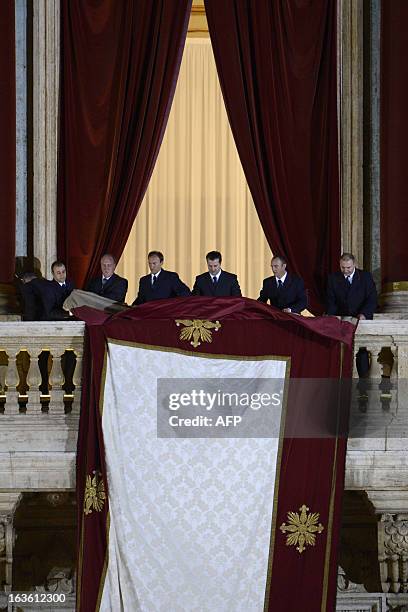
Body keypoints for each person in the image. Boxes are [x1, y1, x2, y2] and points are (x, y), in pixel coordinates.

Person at [326, 253, 377, 320]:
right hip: (341, 320)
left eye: (348, 267)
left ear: (354, 264)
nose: (345, 270)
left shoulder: (366, 277)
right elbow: (331, 301)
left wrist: (364, 314)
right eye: (342, 267)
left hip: (361, 319)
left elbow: (372, 298)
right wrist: (332, 315)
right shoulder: (333, 279)